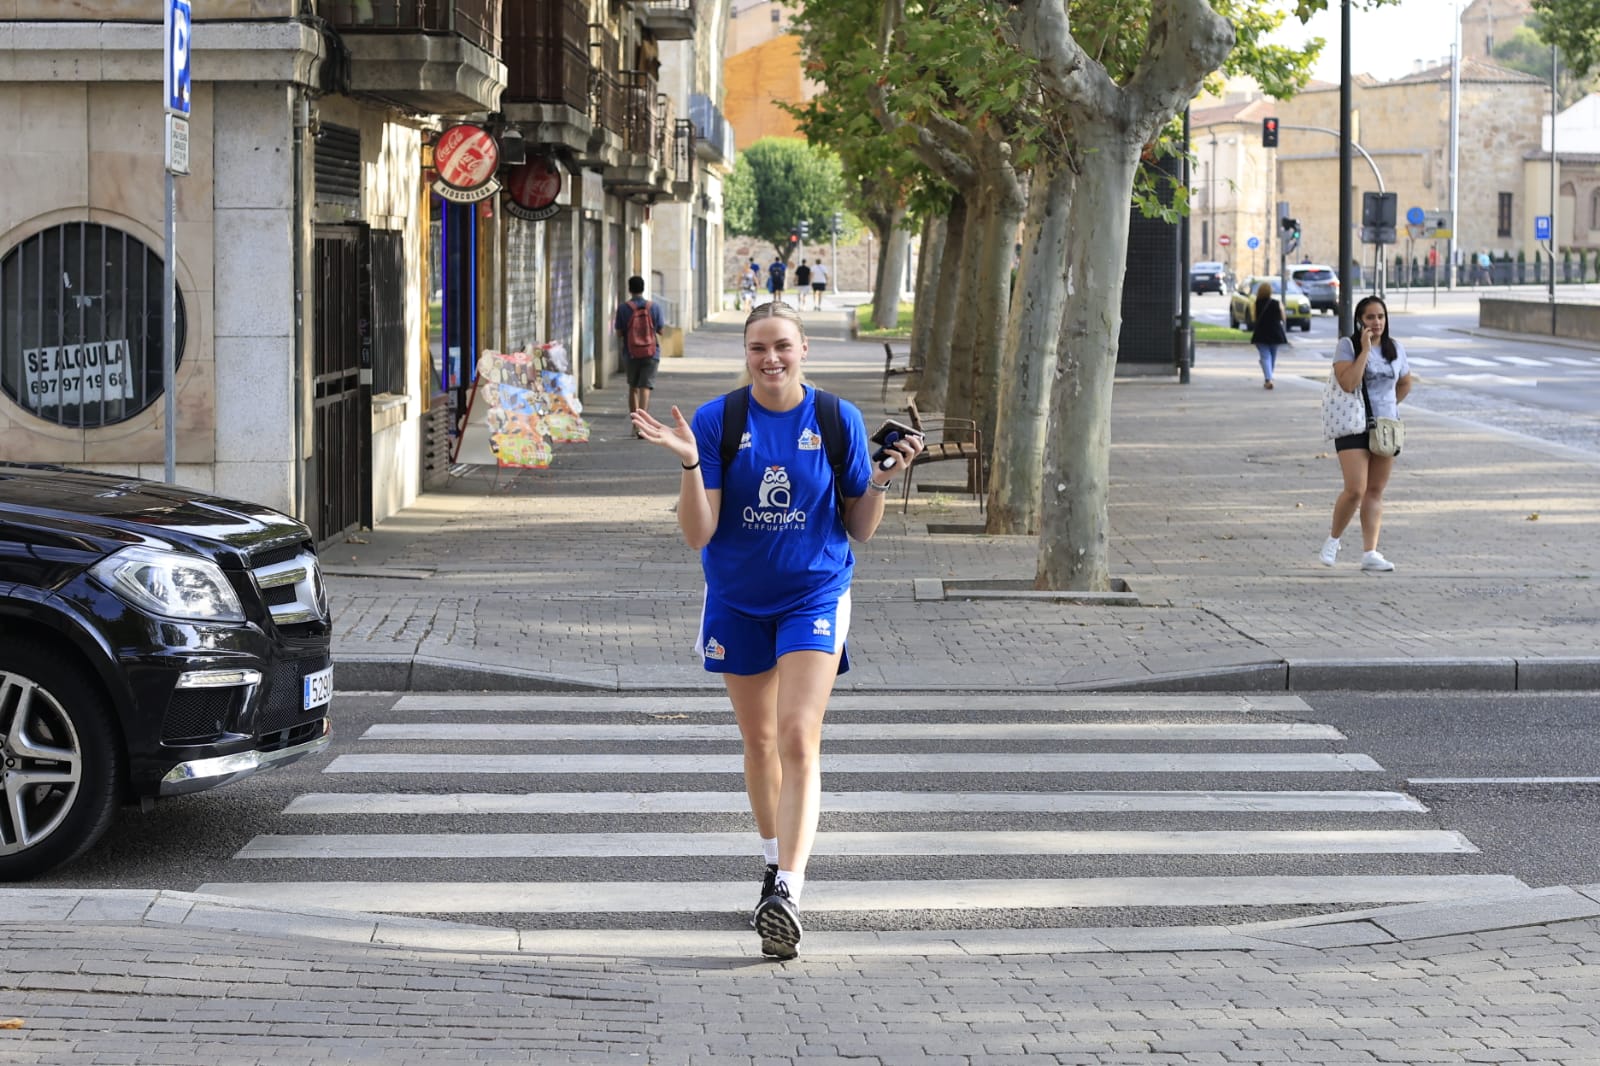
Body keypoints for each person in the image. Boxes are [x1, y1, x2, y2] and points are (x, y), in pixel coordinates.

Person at [629, 301, 923, 960]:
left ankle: (788, 889)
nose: (771, 359)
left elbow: (861, 528)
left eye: (783, 346)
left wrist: (878, 479)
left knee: (798, 733)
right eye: (759, 348)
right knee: (760, 740)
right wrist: (687, 464)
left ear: (803, 351)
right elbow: (698, 534)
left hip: (813, 593)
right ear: (745, 352)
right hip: (736, 599)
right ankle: (770, 859)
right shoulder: (717, 421)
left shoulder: (834, 418)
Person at [1319, 294, 1412, 572]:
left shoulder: (1395, 348)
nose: (1377, 322)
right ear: (1360, 321)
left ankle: (1370, 552)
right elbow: (1348, 383)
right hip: (1354, 424)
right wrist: (1365, 351)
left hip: (1386, 427)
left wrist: (1389, 406)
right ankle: (1333, 540)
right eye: (1370, 317)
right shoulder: (1347, 346)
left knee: (1375, 490)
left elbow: (1406, 382)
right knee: (1355, 489)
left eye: (1381, 316)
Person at [614, 275, 666, 436]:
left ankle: (635, 425)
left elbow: (619, 333)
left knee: (633, 388)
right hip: (651, 353)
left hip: (631, 353)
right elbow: (661, 331)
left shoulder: (623, 308)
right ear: (643, 288)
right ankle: (643, 426)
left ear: (630, 289)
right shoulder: (654, 307)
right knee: (645, 388)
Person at [1249, 280, 1287, 389]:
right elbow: (1283, 318)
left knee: (1265, 356)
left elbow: (1254, 318)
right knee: (1272, 356)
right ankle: (1269, 376)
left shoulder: (1256, 303)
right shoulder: (1276, 303)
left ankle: (1268, 378)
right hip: (1275, 332)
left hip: (1261, 333)